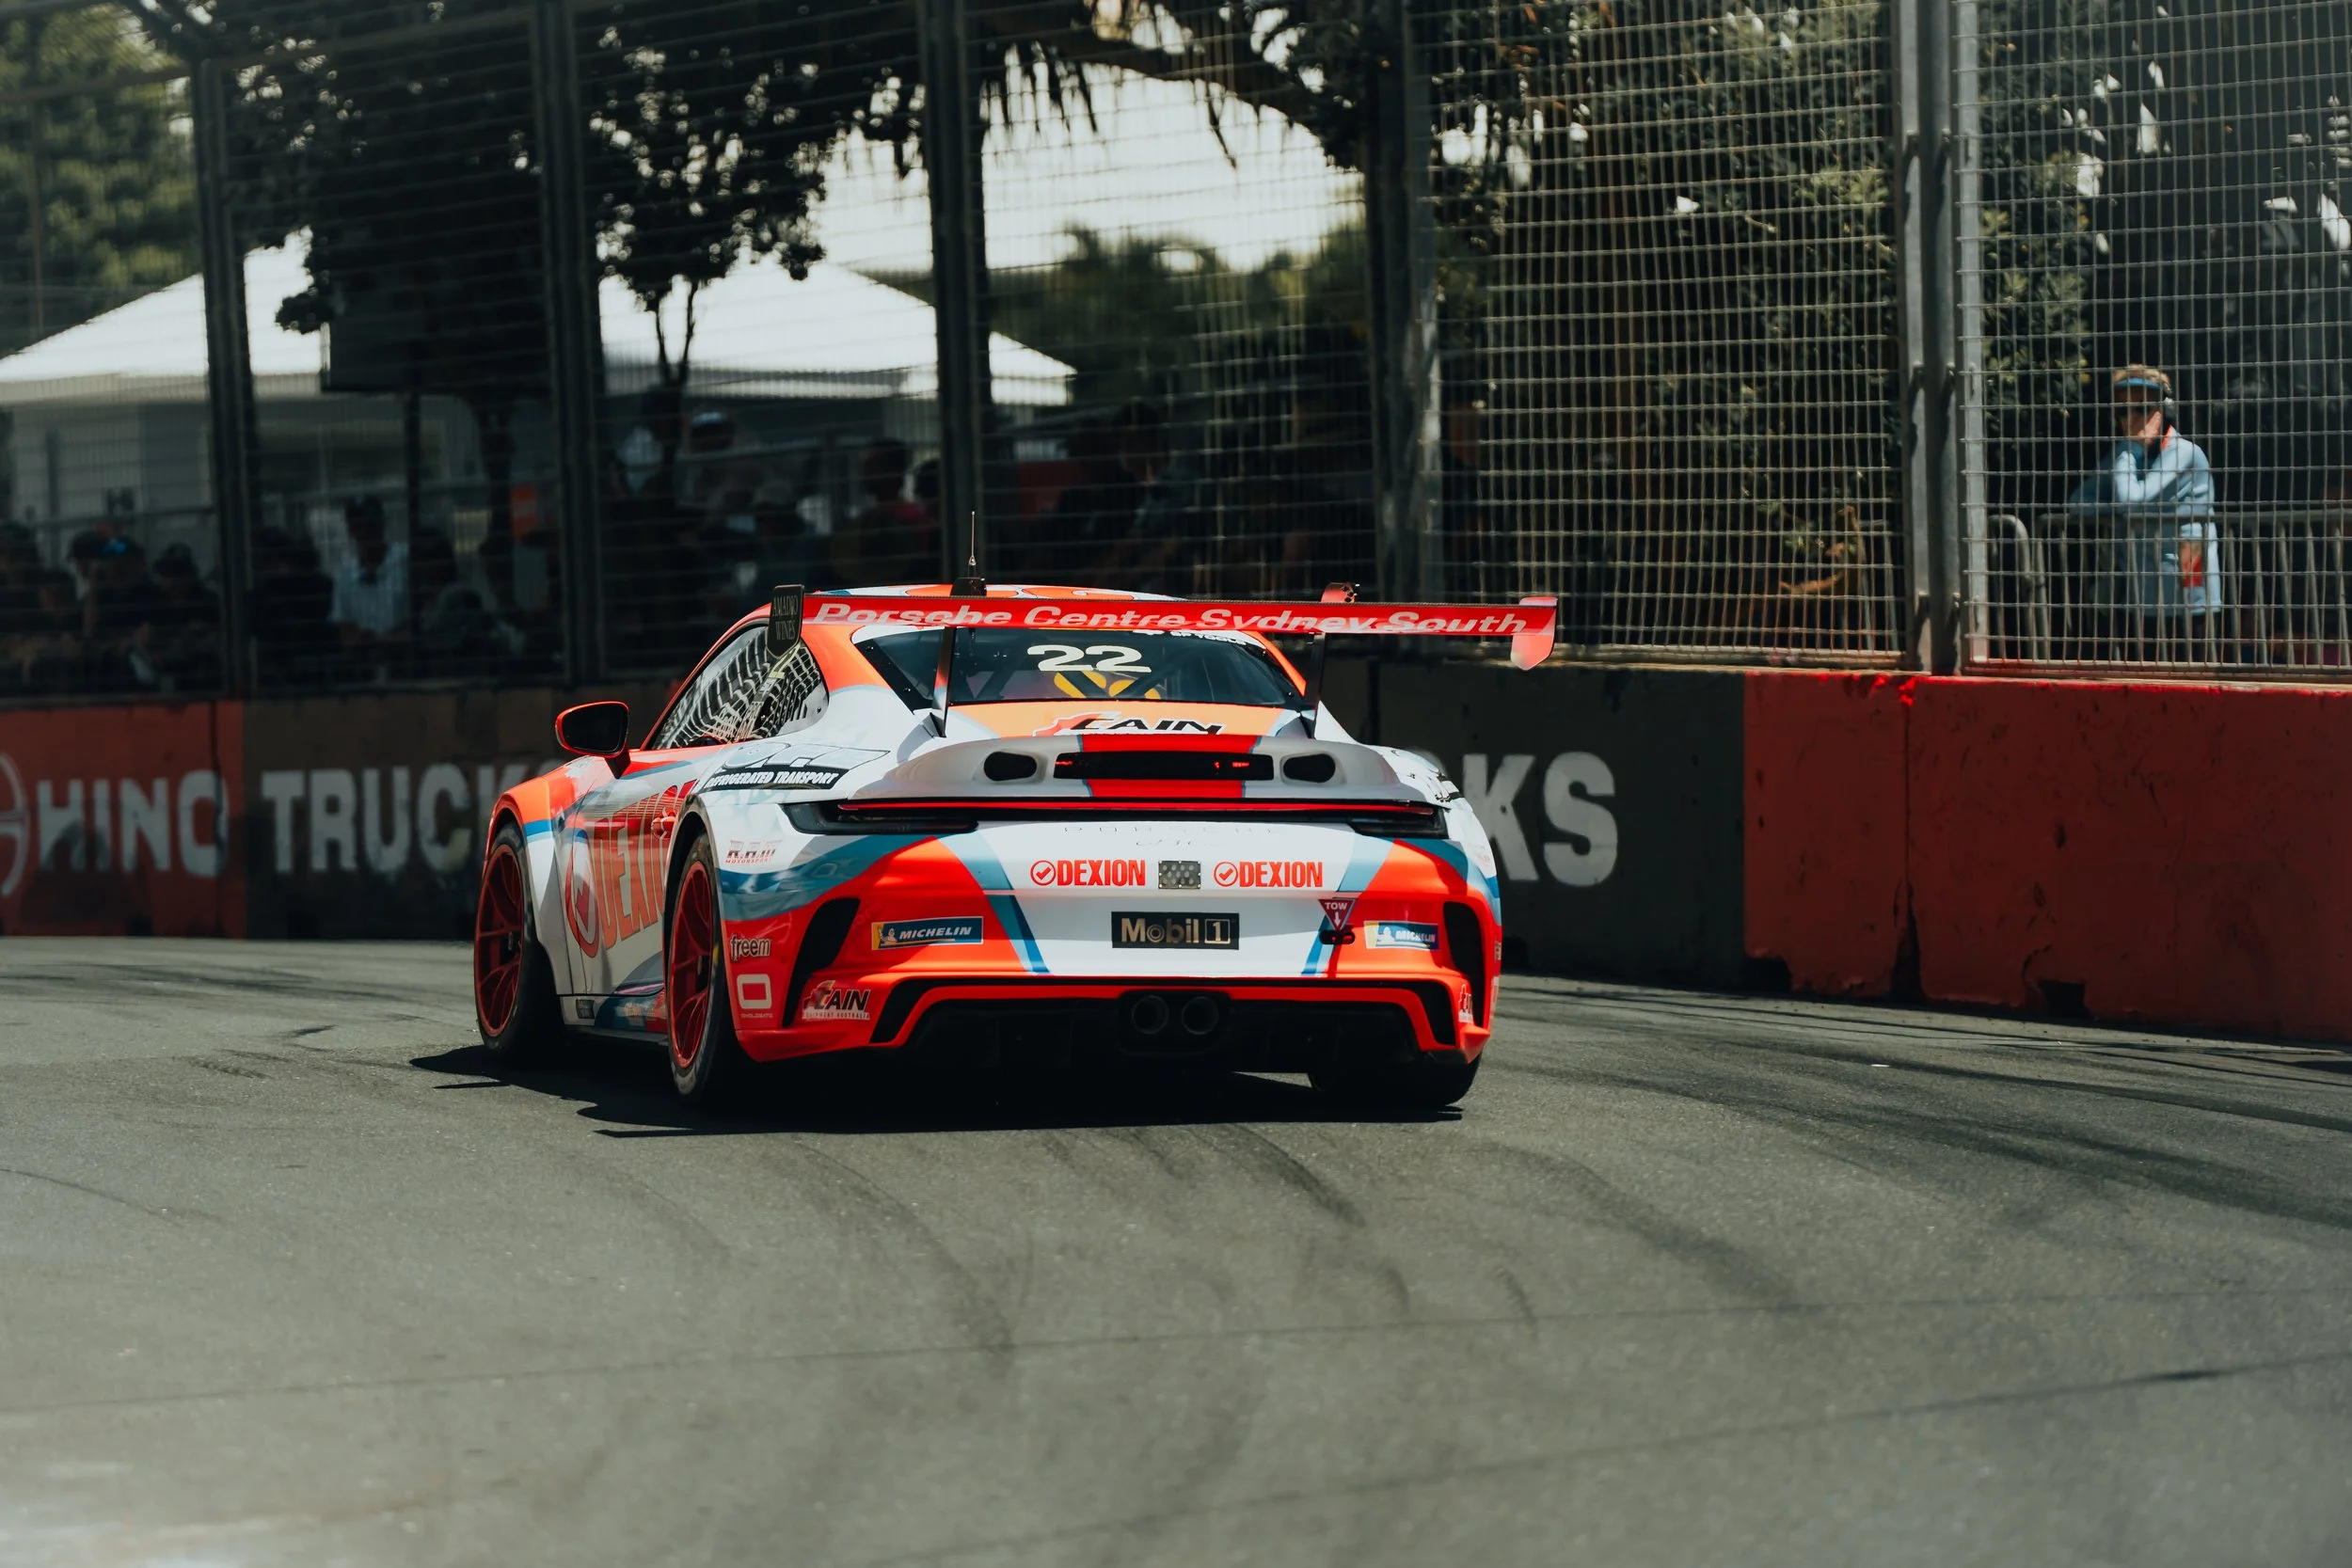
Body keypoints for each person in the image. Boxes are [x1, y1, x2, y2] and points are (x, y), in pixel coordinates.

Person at [2068, 365, 2220, 655]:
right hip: (2142, 592)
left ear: (2164, 411)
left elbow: (2132, 503)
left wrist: (2127, 453)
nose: (2131, 419)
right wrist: (2115, 506)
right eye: (2123, 411)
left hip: (2187, 590)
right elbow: (2077, 502)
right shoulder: (2128, 454)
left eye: (2140, 408)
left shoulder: (2183, 452)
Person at [831, 437, 938, 587]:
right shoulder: (866, 519)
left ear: (892, 470)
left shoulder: (914, 520)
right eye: (863, 466)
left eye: (872, 465)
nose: (863, 472)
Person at [329, 496, 410, 652]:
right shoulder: (345, 577)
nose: (366, 531)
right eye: (359, 526)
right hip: (365, 663)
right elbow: (346, 632)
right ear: (350, 531)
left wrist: (385, 640)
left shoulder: (405, 560)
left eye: (371, 524)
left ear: (382, 524)